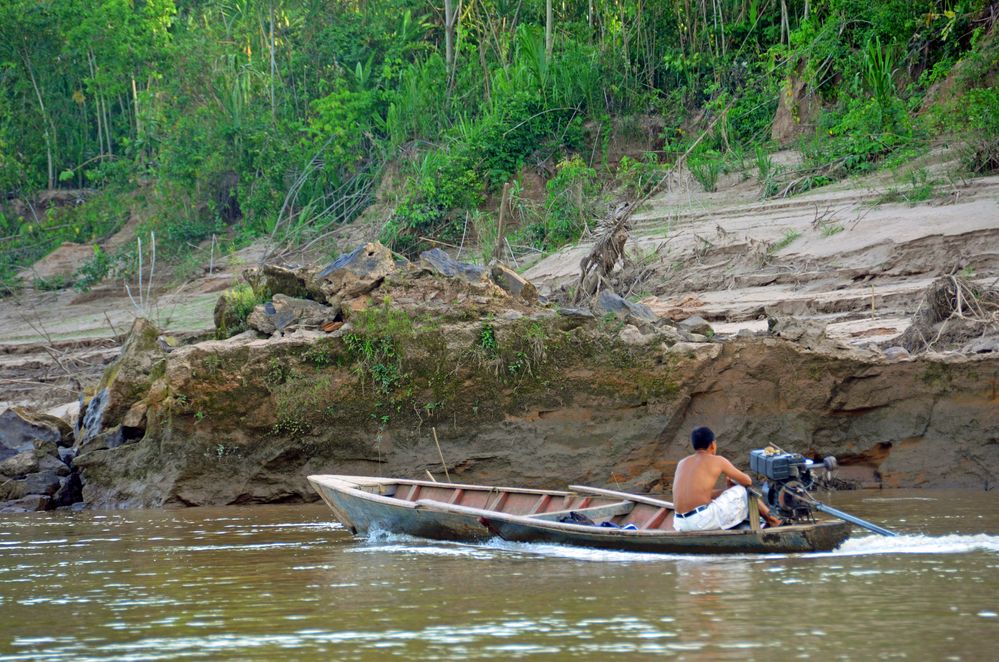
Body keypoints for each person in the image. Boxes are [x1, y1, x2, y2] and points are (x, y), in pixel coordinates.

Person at [671, 426, 781, 532]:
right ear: (712, 445)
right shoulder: (717, 460)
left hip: (680, 524)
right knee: (742, 490)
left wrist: (727, 490)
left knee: (734, 491)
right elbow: (747, 481)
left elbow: (703, 495)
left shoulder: (682, 463)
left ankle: (770, 519)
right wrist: (736, 486)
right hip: (700, 522)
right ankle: (773, 520)